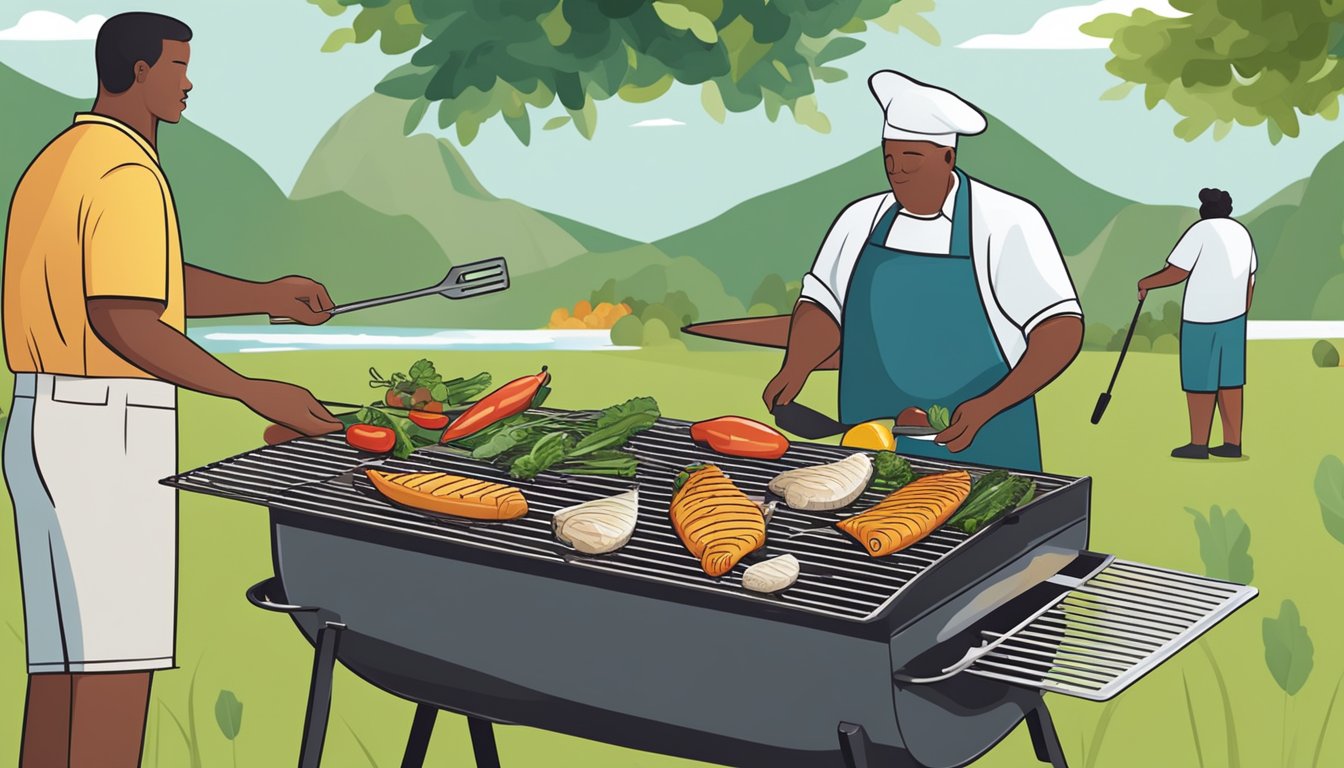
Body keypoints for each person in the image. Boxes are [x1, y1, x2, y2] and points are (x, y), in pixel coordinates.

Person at [1, 12, 343, 767]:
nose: (189, 81)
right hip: (105, 430)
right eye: (177, 65)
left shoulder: (67, 156)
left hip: (43, 420)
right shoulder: (126, 170)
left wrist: (265, 295)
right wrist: (251, 389)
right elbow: (123, 319)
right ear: (135, 70)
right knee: (116, 668)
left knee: (63, 670)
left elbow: (142, 281)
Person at [762, 71, 1083, 473]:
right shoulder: (859, 219)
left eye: (911, 158)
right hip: (868, 448)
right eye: (889, 158)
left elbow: (1060, 328)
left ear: (948, 157)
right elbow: (822, 305)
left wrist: (990, 404)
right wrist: (797, 364)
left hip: (985, 441)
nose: (897, 171)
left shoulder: (1008, 220)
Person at [1137, 188, 1255, 460]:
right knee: (1230, 381)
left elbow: (1177, 272)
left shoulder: (1200, 231)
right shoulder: (1242, 233)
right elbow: (1250, 279)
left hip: (1202, 318)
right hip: (1235, 319)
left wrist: (1145, 283)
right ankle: (1232, 443)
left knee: (1200, 380)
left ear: (1205, 211)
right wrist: (1241, 309)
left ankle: (1199, 444)